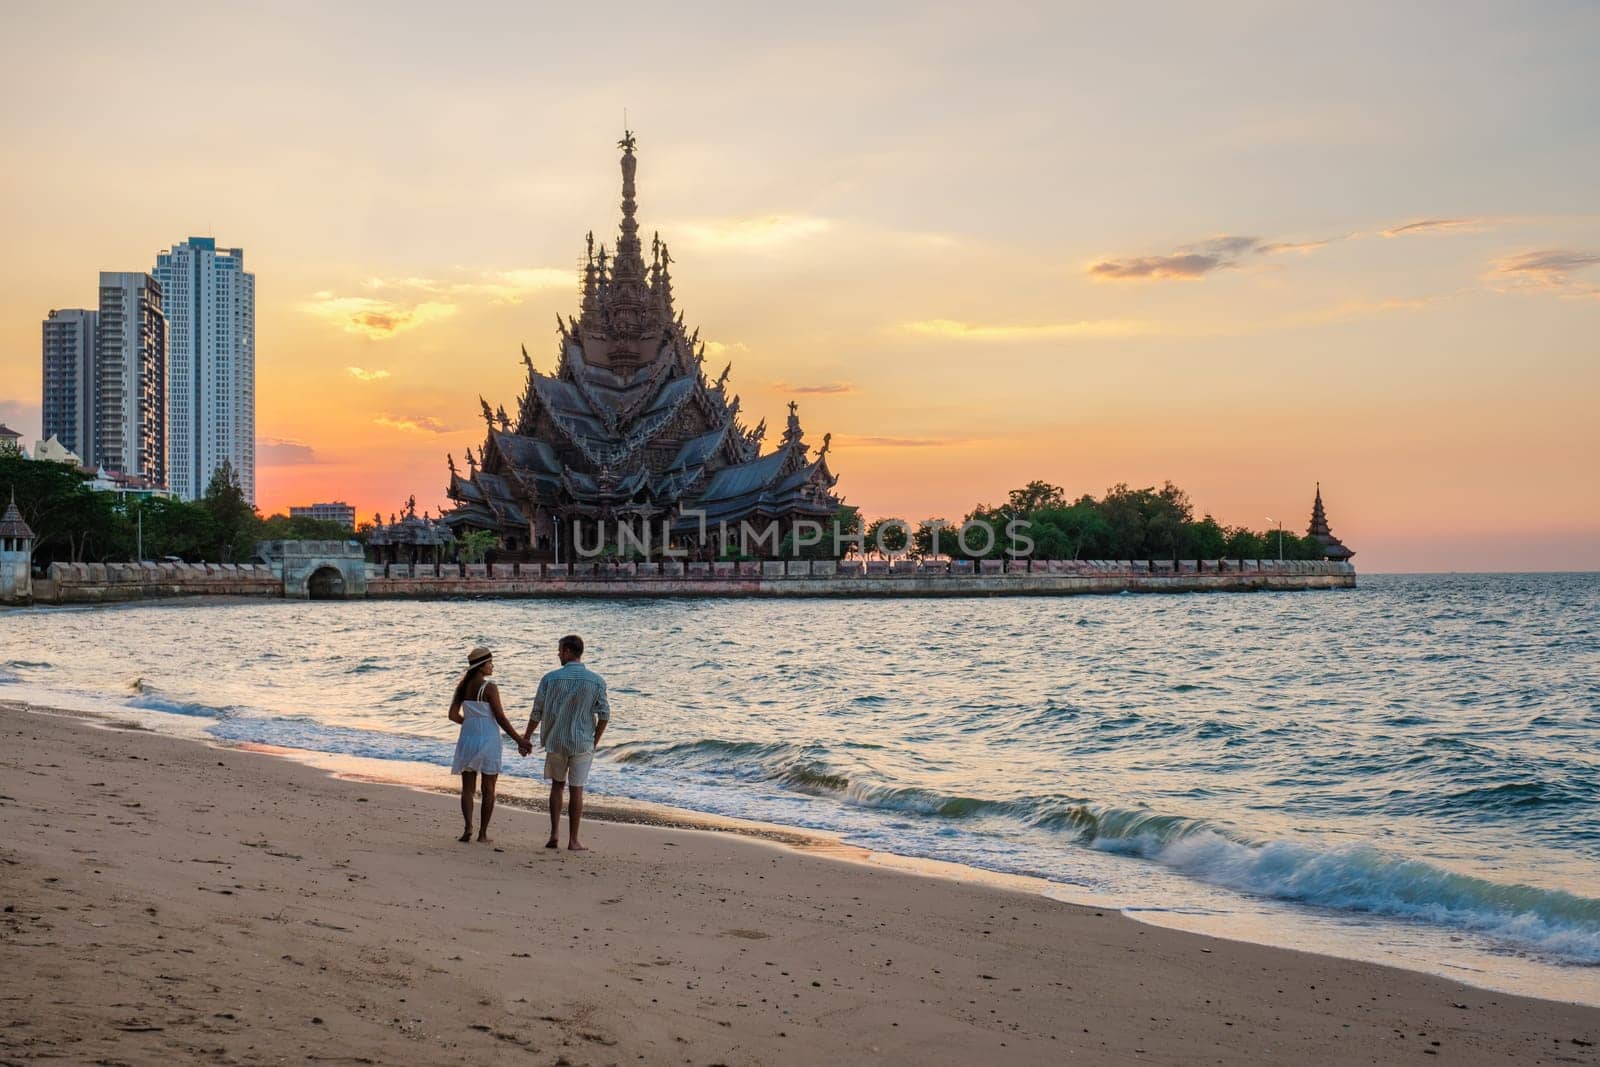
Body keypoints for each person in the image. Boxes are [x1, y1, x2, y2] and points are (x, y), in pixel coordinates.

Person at [523, 634, 609, 851]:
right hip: (582, 743)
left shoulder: (550, 678)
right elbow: (604, 715)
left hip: (556, 740)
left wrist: (526, 738)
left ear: (568, 652)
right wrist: (594, 741)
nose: (558, 654)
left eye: (560, 650)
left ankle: (554, 835)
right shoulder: (596, 680)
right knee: (577, 790)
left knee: (557, 786)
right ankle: (573, 840)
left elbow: (537, 712)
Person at [448, 645, 531, 843]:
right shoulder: (489, 687)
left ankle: (468, 827)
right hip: (489, 739)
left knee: (467, 788)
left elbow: (452, 715)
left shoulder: (462, 687)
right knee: (489, 789)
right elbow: (501, 718)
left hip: (468, 738)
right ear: (481, 666)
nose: (492, 666)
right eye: (490, 663)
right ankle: (482, 834)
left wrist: (469, 723)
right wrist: (520, 740)